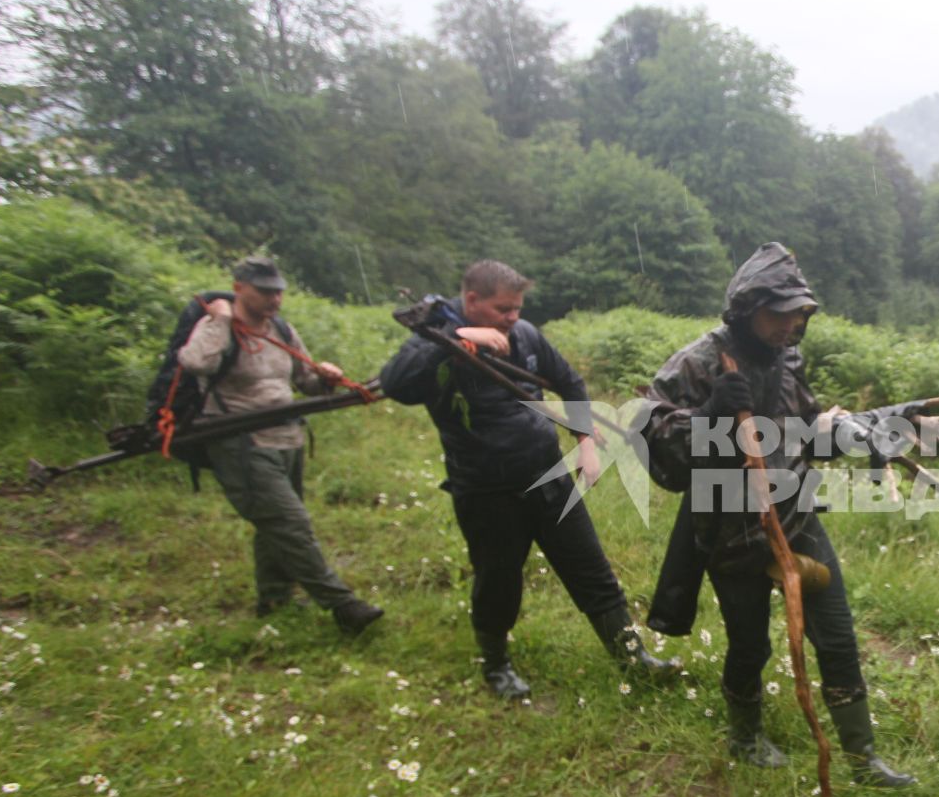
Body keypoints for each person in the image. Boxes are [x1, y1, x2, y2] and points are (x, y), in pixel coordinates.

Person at [641, 243, 915, 788]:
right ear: (747, 308)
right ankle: (744, 735)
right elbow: (656, 451)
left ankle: (863, 759)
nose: (792, 324)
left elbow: (804, 424)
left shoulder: (789, 357)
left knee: (836, 634)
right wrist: (710, 415)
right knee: (750, 642)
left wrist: (852, 433)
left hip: (795, 515)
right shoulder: (697, 362)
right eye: (780, 312)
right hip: (729, 527)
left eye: (799, 313)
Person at [377, 259, 677, 700]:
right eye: (503, 309)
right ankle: (496, 666)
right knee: (498, 580)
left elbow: (568, 381)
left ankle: (634, 658)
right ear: (471, 300)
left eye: (517, 308)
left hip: (547, 476)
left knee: (591, 570)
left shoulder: (526, 335)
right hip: (486, 489)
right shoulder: (434, 337)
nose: (512, 318)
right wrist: (458, 339)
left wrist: (585, 443)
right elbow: (395, 383)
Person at [177, 256, 383, 635]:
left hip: (287, 438)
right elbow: (194, 362)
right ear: (239, 288)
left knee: (274, 522)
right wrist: (221, 318)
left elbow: (304, 381)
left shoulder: (282, 331)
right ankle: (342, 604)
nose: (275, 300)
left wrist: (325, 377)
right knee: (291, 523)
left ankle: (273, 599)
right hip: (241, 442)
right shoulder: (217, 327)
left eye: (279, 292)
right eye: (265, 292)